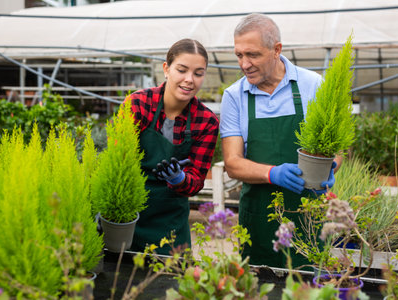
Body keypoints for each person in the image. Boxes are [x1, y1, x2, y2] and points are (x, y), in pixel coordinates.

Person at [220, 14, 342, 268]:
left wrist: (332, 166)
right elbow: (232, 163)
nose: (244, 64)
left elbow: (336, 146)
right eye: (239, 55)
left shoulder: (312, 85)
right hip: (258, 221)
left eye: (252, 54)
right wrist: (273, 173)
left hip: (308, 215)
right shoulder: (234, 96)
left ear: (276, 50)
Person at [125, 39, 219, 255]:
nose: (189, 80)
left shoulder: (206, 121)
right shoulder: (137, 105)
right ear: (166, 69)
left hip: (171, 226)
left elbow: (196, 180)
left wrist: (180, 179)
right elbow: (117, 163)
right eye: (182, 70)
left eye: (198, 73)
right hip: (128, 216)